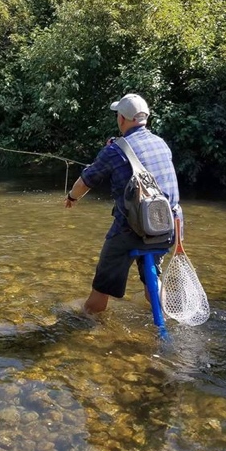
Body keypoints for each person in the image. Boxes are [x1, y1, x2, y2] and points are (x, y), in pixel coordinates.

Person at [64, 93, 182, 314]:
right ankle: (168, 317)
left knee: (99, 293)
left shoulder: (114, 150)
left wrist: (71, 197)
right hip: (167, 227)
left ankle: (90, 319)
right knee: (151, 282)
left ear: (122, 119)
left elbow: (85, 182)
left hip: (130, 232)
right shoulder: (161, 144)